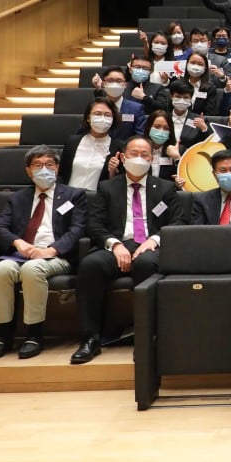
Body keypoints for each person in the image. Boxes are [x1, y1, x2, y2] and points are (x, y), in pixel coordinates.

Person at [71, 136, 183, 364]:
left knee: (146, 264)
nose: (139, 158)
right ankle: (90, 338)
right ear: (122, 157)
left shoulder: (166, 188)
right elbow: (94, 224)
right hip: (117, 244)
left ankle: (146, 338)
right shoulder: (106, 187)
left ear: (152, 159)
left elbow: (179, 222)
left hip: (150, 245)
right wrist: (115, 244)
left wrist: (154, 240)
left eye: (145, 155)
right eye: (134, 153)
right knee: (90, 266)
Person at [0, 146, 88, 360]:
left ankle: (34, 334)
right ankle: (2, 335)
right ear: (28, 171)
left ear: (58, 168)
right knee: (0, 271)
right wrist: (18, 243)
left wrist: (51, 250)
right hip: (20, 254)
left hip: (56, 256)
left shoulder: (73, 195)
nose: (44, 170)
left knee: (33, 270)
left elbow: (77, 229)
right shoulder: (19, 198)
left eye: (49, 165)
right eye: (38, 165)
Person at [59, 97, 123, 192]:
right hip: (69, 197)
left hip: (97, 200)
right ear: (88, 117)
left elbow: (116, 184)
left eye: (107, 115)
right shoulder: (72, 142)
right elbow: (62, 173)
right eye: (97, 114)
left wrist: (113, 172)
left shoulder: (118, 146)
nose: (102, 119)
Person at [98, 66, 145, 141]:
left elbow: (140, 136)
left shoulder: (136, 108)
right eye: (110, 80)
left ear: (125, 85)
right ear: (103, 84)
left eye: (119, 81)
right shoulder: (95, 107)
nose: (114, 84)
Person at [165, 81, 211, 154]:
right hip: (165, 157)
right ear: (171, 96)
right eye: (178, 96)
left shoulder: (199, 120)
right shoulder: (163, 117)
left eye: (186, 97)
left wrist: (204, 128)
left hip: (190, 158)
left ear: (190, 98)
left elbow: (210, 144)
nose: (181, 100)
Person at [142, 110, 179, 181]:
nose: (161, 131)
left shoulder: (178, 150)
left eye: (166, 128)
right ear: (149, 127)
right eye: (157, 127)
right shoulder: (139, 148)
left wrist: (177, 158)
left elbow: (182, 178)